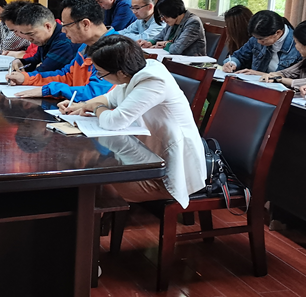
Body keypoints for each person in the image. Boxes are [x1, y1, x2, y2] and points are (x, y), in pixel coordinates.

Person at [60, 34, 206, 206]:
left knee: (95, 181)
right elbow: (109, 98)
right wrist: (81, 105)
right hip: (149, 153)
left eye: (101, 73)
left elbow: (114, 121)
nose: (100, 76)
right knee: (94, 169)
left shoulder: (153, 81)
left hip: (171, 169)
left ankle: (94, 219)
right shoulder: (133, 73)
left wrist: (96, 108)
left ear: (120, 73)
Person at [8, 0, 115, 101]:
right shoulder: (85, 47)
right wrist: (26, 78)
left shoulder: (114, 51)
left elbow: (95, 94)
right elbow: (67, 75)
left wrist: (49, 90)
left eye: (66, 25)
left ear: (85, 24)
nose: (63, 30)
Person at [222, 10, 300, 74]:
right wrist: (232, 63)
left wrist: (259, 74)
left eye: (262, 39)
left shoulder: (298, 45)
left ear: (278, 33)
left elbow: (296, 79)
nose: (258, 42)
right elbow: (239, 56)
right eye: (256, 38)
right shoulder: (256, 38)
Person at [7, 3, 77, 73]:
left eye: (31, 34)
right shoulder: (46, 38)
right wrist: (21, 62)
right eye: (25, 34)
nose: (29, 39)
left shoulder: (64, 42)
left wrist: (23, 76)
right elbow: (36, 59)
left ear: (47, 26)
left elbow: (43, 72)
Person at [139, 0, 206, 56]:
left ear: (173, 11)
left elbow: (176, 49)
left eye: (164, 15)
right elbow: (161, 36)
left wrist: (165, 43)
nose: (162, 19)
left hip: (190, 62)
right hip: (172, 59)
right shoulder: (173, 21)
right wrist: (149, 43)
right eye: (161, 16)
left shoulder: (193, 22)